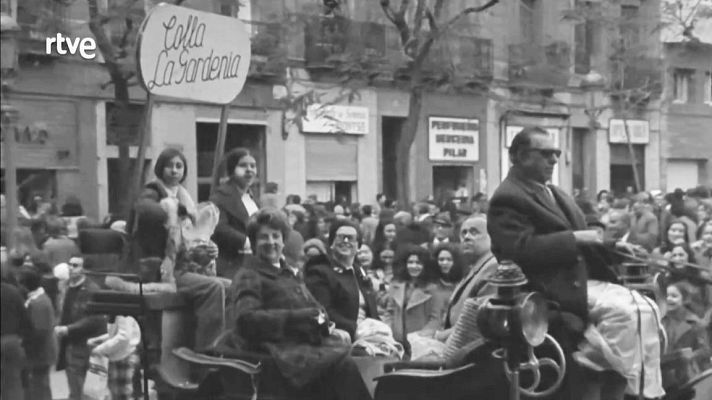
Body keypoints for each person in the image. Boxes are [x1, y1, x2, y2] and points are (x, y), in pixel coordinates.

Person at [487, 126, 618, 400]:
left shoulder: (555, 193)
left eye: (556, 152)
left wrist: (614, 247)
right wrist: (573, 238)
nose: (554, 159)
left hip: (577, 293)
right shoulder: (507, 197)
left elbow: (586, 237)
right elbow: (518, 250)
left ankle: (630, 381)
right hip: (546, 306)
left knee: (640, 310)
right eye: (545, 153)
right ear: (521, 157)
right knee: (571, 388)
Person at [218, 208, 372, 399]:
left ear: (284, 240)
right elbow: (246, 320)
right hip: (273, 353)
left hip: (299, 348)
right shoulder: (250, 275)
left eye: (276, 236)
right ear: (254, 242)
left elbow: (316, 309)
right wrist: (300, 319)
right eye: (264, 237)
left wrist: (323, 322)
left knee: (350, 358)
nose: (271, 242)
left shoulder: (288, 273)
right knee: (343, 366)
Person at [305, 219, 380, 341]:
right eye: (341, 237)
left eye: (350, 238)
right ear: (331, 243)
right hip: (340, 337)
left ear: (358, 245)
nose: (346, 241)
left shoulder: (360, 272)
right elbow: (324, 311)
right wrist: (357, 329)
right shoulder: (319, 271)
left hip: (369, 334)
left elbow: (372, 311)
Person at [435, 216, 498, 342]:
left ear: (491, 236)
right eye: (464, 233)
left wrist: (440, 336)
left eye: (474, 232)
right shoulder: (475, 267)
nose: (467, 237)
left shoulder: (493, 267)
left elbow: (478, 322)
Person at [55, 256, 106, 400]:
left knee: (79, 378)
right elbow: (60, 310)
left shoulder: (92, 290)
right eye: (69, 264)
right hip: (66, 339)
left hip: (84, 340)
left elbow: (94, 319)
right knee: (72, 376)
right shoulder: (64, 287)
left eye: (75, 265)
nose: (71, 268)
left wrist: (69, 329)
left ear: (84, 269)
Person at [211, 148, 260, 278]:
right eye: (243, 165)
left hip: (253, 262)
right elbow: (219, 228)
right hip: (230, 264)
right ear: (233, 169)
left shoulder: (252, 198)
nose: (249, 169)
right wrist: (247, 241)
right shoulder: (220, 196)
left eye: (253, 166)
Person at [661, 281, 710, 390]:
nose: (669, 299)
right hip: (664, 378)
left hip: (686, 378)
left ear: (684, 299)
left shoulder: (694, 323)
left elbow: (705, 350)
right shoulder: (660, 320)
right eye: (667, 296)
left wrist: (688, 356)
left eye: (674, 296)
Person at [18, 265, 57, 400]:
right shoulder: (37, 300)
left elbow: (39, 333)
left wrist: (22, 344)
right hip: (39, 355)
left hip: (39, 356)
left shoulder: (39, 304)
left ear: (25, 285)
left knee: (39, 390)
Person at [87, 315, 141, 400]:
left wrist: (99, 349)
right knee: (116, 395)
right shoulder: (117, 309)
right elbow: (115, 333)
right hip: (122, 355)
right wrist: (99, 339)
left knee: (121, 396)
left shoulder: (121, 310)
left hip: (123, 357)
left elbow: (123, 337)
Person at [2, 254, 32, 400]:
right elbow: (26, 320)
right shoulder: (13, 291)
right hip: (11, 342)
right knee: (13, 383)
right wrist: (21, 338)